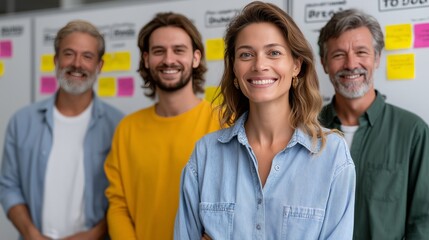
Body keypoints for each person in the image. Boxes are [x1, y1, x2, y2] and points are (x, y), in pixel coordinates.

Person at [174, 2, 356, 239]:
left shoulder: (332, 155)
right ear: (235, 71)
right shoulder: (205, 154)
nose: (259, 65)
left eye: (274, 52)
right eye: (246, 54)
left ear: (296, 66)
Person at [0, 20, 123, 239]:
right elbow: (8, 186)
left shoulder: (119, 127)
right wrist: (30, 233)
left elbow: (124, 197)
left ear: (99, 66)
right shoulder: (22, 122)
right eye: (69, 53)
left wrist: (95, 234)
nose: (77, 64)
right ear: (56, 60)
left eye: (87, 56)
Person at [104, 12, 220, 239]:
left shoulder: (225, 121)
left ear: (196, 58)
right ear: (146, 59)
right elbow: (118, 205)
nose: (169, 60)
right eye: (159, 51)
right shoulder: (127, 128)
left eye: (179, 50)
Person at [318, 8, 429, 240]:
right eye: (338, 54)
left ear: (377, 58)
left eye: (361, 52)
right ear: (324, 63)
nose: (351, 64)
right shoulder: (305, 130)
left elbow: (424, 221)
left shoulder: (413, 132)